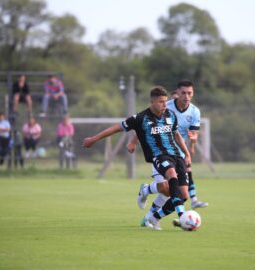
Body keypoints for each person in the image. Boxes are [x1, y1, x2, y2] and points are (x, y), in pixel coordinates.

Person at [83, 86, 192, 230]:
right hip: (159, 156)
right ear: (152, 102)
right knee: (170, 177)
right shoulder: (140, 118)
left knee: (183, 194)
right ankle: (182, 216)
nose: (164, 105)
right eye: (161, 102)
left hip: (177, 156)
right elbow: (116, 128)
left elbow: (176, 135)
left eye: (165, 101)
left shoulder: (170, 115)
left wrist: (187, 153)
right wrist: (94, 139)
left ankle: (153, 217)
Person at [127, 79, 208, 228]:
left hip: (178, 154)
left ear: (193, 93)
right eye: (183, 92)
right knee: (166, 188)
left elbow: (194, 134)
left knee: (174, 191)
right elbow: (145, 124)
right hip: (160, 151)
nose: (186, 96)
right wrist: (133, 141)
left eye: (189, 93)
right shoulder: (165, 106)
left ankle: (150, 218)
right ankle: (148, 195)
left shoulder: (195, 111)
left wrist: (193, 143)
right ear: (176, 93)